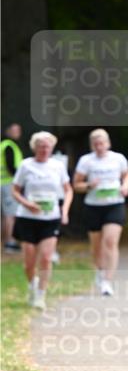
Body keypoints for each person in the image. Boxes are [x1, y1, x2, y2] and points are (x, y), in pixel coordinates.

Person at [11, 131, 72, 309]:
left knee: (45, 258)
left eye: (47, 146)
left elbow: (68, 190)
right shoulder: (26, 166)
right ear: (34, 148)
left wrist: (65, 210)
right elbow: (15, 190)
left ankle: (40, 295)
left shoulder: (57, 166)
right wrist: (27, 203)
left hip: (50, 217)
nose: (44, 149)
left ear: (52, 147)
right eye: (41, 146)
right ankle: (32, 284)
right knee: (29, 261)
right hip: (27, 217)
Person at [73, 129, 128, 296]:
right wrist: (89, 185)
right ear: (92, 145)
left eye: (102, 143)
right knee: (96, 246)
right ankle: (99, 271)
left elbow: (127, 175)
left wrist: (126, 186)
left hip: (115, 204)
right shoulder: (86, 161)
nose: (99, 147)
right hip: (93, 206)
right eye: (96, 144)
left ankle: (107, 280)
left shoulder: (118, 158)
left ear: (108, 143)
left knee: (110, 241)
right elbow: (76, 185)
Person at [1, 123, 24, 251]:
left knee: (5, 215)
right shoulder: (9, 146)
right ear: (7, 131)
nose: (17, 132)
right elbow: (10, 166)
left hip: (3, 183)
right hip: (8, 183)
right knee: (10, 214)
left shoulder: (4, 145)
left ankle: (6, 241)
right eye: (15, 130)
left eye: (18, 129)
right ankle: (10, 242)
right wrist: (20, 180)